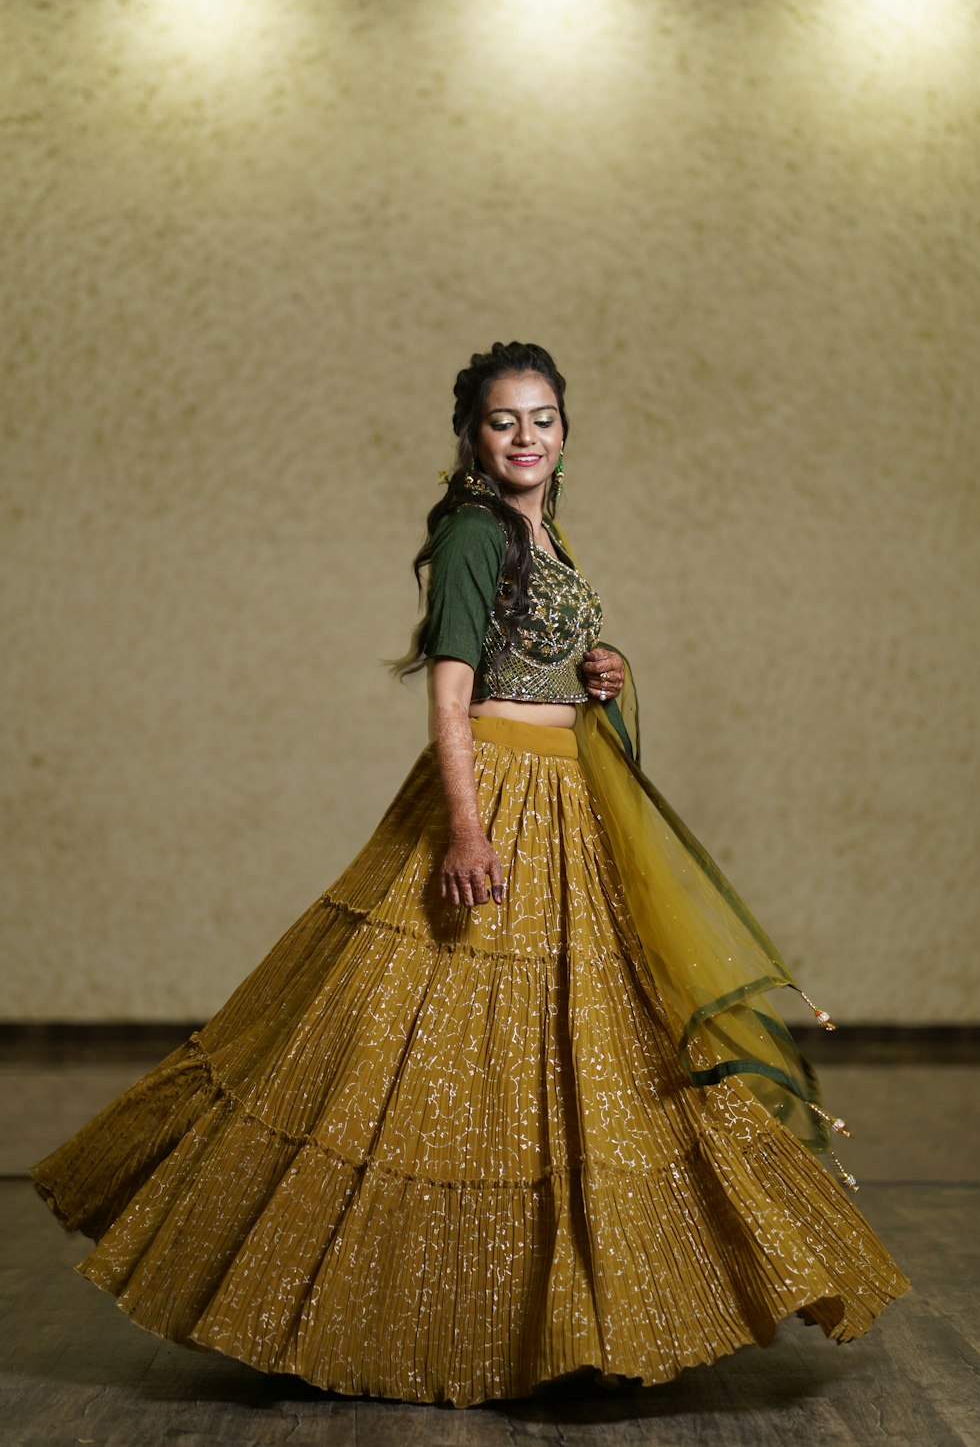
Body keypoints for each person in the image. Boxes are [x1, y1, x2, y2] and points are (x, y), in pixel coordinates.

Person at [31, 341, 908, 1409]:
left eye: (543, 418)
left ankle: (572, 1319)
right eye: (504, 421)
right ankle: (399, 1314)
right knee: (416, 1043)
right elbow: (451, 697)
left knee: (587, 1034)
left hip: (565, 795)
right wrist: (465, 831)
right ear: (470, 437)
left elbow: (529, 660)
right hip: (495, 795)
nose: (526, 437)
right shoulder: (471, 534)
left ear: (564, 431)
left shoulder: (545, 530)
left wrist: (599, 673)